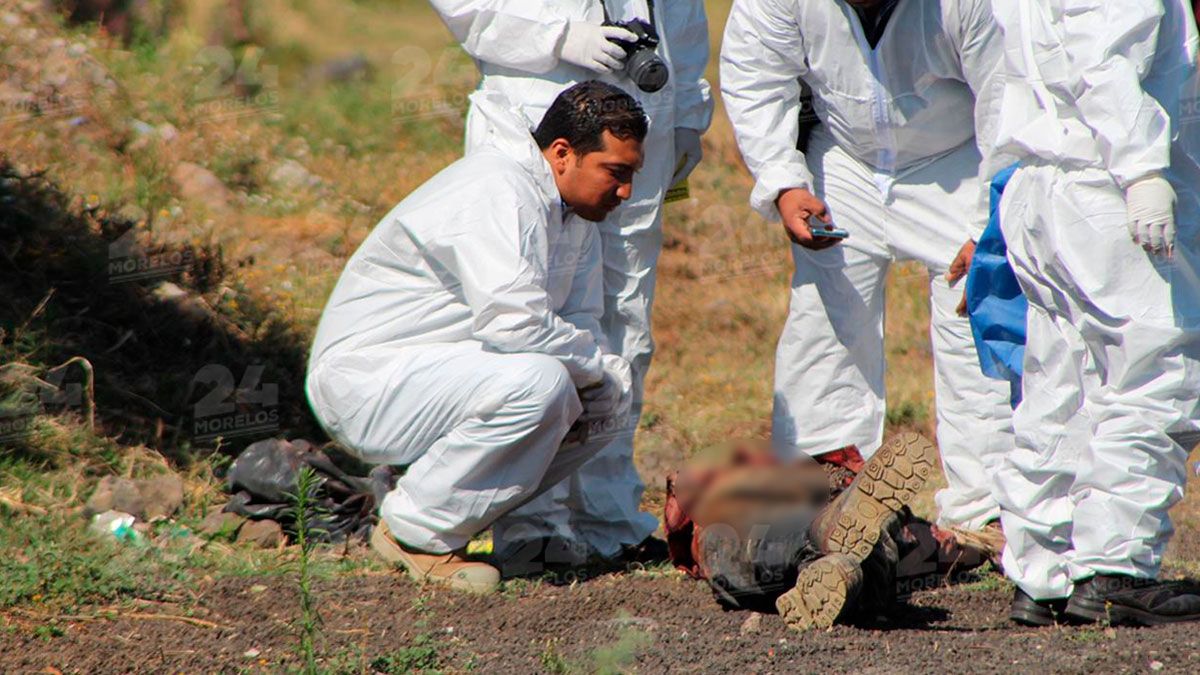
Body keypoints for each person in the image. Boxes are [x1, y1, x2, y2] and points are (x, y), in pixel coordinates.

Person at [305, 82, 648, 593]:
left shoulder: (572, 214)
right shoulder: (498, 189)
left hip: (441, 373)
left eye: (631, 175)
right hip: (366, 381)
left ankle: (443, 514)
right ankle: (415, 532)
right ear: (562, 154)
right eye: (615, 172)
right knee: (542, 383)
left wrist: (599, 372)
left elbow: (580, 320)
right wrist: (594, 365)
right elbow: (514, 323)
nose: (626, 192)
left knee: (608, 401)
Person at [428, 0, 714, 565]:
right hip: (534, 116)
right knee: (529, 319)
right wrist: (558, 38)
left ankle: (608, 519)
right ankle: (529, 524)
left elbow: (681, 10)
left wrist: (686, 110)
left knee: (625, 324)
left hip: (641, 118)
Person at [719, 0, 1013, 533]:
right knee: (825, 320)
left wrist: (987, 224)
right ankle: (821, 498)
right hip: (844, 159)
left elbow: (1004, 97)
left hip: (958, 160)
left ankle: (985, 512)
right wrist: (785, 183)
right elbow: (756, 76)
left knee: (972, 317)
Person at [987, 0, 1200, 626]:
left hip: (1044, 184)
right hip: (1101, 186)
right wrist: (1142, 169)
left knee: (1062, 383)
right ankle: (1116, 568)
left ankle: (1045, 570)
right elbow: (1102, 58)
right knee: (1156, 371)